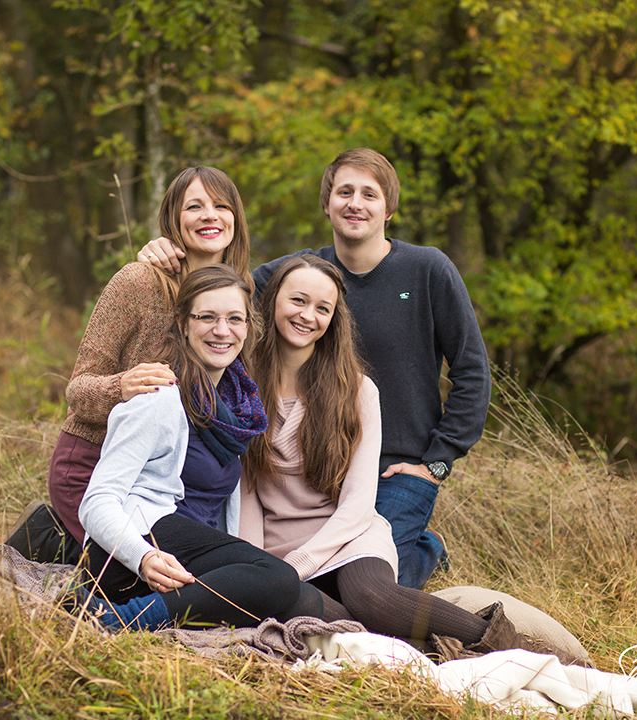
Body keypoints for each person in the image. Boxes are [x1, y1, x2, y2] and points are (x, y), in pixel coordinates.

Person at [141, 149, 491, 589]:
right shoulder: (300, 274)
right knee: (310, 582)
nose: (355, 203)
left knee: (376, 585)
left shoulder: (428, 270)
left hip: (396, 470)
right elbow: (220, 295)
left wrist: (437, 461)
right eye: (344, 192)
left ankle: (427, 550)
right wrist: (169, 251)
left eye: (369, 194)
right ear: (326, 203)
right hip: (320, 464)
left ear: (389, 209)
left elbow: (473, 371)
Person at [238, 255, 514, 654]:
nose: (307, 315)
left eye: (322, 308)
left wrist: (295, 566)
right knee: (314, 621)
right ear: (273, 301)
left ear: (334, 319)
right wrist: (258, 568)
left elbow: (357, 505)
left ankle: (507, 647)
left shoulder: (357, 392)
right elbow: (246, 493)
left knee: (371, 598)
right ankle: (413, 656)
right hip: (278, 551)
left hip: (349, 536)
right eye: (297, 300)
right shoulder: (244, 387)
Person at [6, 167, 256, 561]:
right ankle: (50, 536)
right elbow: (78, 391)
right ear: (174, 219)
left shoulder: (240, 294)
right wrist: (119, 388)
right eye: (195, 206)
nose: (210, 215)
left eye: (221, 206)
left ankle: (59, 538)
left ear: (236, 220)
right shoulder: (138, 283)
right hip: (96, 467)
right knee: (134, 572)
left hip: (165, 478)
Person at [76, 265, 323, 630]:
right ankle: (120, 620)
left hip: (187, 550)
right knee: (279, 578)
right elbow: (96, 501)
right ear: (183, 324)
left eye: (234, 319)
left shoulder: (234, 406)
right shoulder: (158, 397)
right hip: (134, 551)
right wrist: (143, 557)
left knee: (306, 601)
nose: (222, 331)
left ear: (247, 326)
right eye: (207, 317)